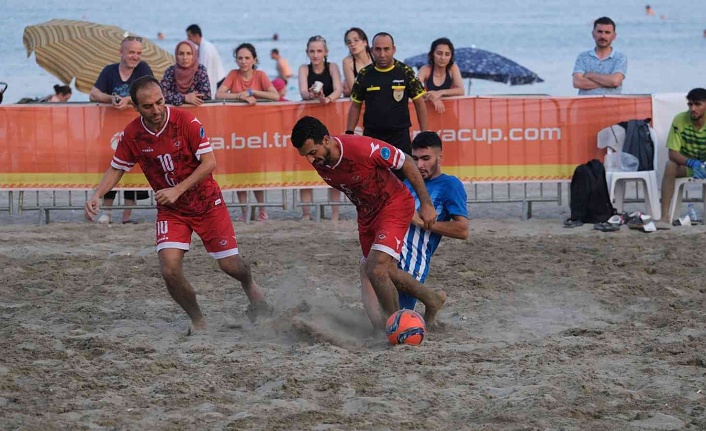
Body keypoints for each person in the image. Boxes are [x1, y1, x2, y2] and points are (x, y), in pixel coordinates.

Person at [84, 76, 270, 334]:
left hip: (206, 203)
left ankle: (250, 286)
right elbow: (117, 168)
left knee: (231, 266)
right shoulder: (132, 133)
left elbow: (210, 163)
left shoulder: (186, 121)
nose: (156, 110)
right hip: (172, 211)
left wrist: (177, 189)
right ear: (136, 107)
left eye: (160, 102)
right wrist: (96, 195)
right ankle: (198, 321)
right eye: (148, 106)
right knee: (169, 270)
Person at [290, 116, 447, 330]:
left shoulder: (362, 148)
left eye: (312, 152)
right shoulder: (322, 162)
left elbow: (407, 161)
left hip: (394, 204)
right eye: (305, 155)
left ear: (326, 140)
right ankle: (432, 299)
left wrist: (426, 204)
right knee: (382, 269)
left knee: (376, 268)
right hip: (366, 214)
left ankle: (396, 326)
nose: (311, 160)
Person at [360, 132, 468, 325]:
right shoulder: (408, 184)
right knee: (367, 264)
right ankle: (430, 300)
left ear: (440, 157)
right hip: (392, 245)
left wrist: (421, 222)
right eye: (415, 158)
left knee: (393, 319)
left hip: (412, 260)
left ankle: (430, 299)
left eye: (426, 159)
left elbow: (462, 230)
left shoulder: (450, 184)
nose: (419, 166)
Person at [89, 35, 154, 224]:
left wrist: (130, 100)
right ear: (121, 53)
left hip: (137, 128)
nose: (135, 56)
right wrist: (111, 98)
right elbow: (94, 93)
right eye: (132, 52)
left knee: (133, 169)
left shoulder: (143, 69)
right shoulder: (109, 71)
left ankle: (127, 216)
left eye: (139, 53)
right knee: (112, 167)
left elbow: (151, 92)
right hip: (110, 129)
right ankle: (106, 212)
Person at [346, 32, 428, 180]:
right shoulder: (365, 74)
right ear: (371, 50)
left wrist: (424, 132)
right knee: (373, 178)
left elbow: (419, 103)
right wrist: (349, 132)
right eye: (378, 49)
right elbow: (355, 105)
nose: (382, 54)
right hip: (372, 137)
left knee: (403, 179)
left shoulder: (405, 72)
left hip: (400, 136)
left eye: (386, 49)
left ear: (394, 49)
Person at [216, 43, 279, 221]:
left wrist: (253, 92)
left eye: (247, 58)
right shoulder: (232, 74)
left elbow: (275, 95)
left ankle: (262, 210)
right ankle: (244, 211)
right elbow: (219, 93)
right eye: (240, 58)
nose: (243, 62)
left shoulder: (261, 75)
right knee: (239, 169)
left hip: (257, 131)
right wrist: (239, 95)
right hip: (236, 129)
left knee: (256, 170)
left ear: (254, 60)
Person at [297, 35, 344, 221]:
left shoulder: (332, 67)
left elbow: (339, 89)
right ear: (307, 53)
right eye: (312, 51)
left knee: (333, 162)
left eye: (319, 51)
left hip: (331, 118)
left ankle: (334, 214)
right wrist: (311, 96)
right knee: (306, 165)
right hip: (309, 120)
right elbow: (301, 91)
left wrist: (328, 99)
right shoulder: (303, 68)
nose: (315, 55)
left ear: (325, 52)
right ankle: (306, 213)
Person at [658, 88, 706, 222]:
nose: (693, 108)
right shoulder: (680, 119)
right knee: (670, 166)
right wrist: (692, 163)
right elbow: (672, 153)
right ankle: (665, 217)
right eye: (690, 104)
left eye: (698, 104)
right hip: (688, 165)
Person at [572, 17, 627, 95]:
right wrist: (608, 83)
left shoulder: (620, 58)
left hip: (612, 106)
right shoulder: (583, 57)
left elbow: (615, 81)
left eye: (607, 32)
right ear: (593, 34)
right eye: (599, 32)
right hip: (585, 105)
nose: (603, 36)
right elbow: (577, 82)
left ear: (614, 36)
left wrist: (591, 75)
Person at [416, 38, 464, 113]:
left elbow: (461, 91)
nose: (443, 58)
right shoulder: (425, 69)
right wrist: (432, 97)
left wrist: (440, 93)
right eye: (439, 53)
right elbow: (414, 89)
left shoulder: (453, 68)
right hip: (429, 115)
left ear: (451, 56)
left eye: (447, 54)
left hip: (449, 115)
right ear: (432, 54)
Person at [160, 40, 211, 106]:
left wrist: (177, 98)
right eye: (181, 54)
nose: (185, 58)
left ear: (194, 55)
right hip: (175, 112)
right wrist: (184, 98)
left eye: (189, 53)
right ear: (176, 55)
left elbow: (206, 95)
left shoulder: (200, 70)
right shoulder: (171, 71)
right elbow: (161, 95)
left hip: (196, 111)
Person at [186, 24, 226, 99]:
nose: (188, 39)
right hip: (216, 80)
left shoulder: (206, 49)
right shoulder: (202, 47)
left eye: (189, 36)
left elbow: (207, 72)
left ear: (196, 35)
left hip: (217, 82)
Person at [341, 27, 372, 97]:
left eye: (356, 40)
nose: (352, 44)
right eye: (349, 42)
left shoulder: (375, 56)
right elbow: (354, 90)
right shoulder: (347, 62)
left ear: (365, 42)